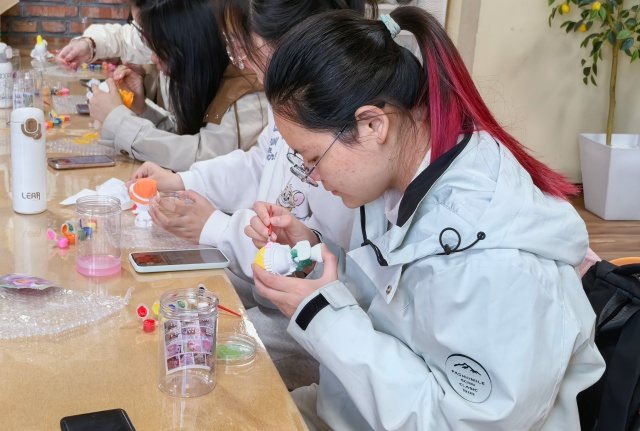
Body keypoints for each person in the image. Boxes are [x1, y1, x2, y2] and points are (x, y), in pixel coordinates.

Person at [245, 7, 605, 430]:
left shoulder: (494, 265)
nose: (311, 177)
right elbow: (397, 303)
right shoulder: (408, 179)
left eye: (312, 158)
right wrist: (315, 254)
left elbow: (459, 423)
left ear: (372, 124)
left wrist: (321, 315)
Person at [131, 0, 377, 389]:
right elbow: (257, 163)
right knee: (175, 315)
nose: (241, 60)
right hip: (283, 292)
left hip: (307, 316)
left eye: (243, 45)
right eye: (234, 45)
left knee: (193, 353)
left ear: (296, 37)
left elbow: (322, 268)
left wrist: (216, 227)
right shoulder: (294, 105)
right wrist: (183, 182)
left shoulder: (345, 140)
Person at [87, 0, 267, 172]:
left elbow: (202, 157)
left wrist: (118, 121)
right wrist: (141, 109)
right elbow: (183, 136)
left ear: (190, 47)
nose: (153, 59)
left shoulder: (247, 96)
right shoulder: (205, 71)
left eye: (161, 50)